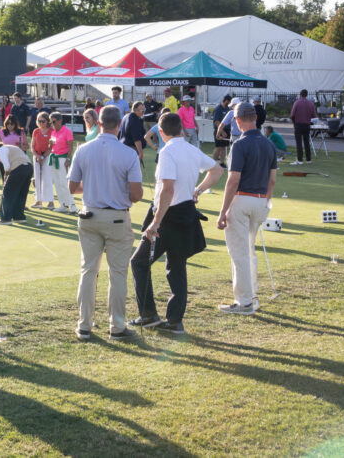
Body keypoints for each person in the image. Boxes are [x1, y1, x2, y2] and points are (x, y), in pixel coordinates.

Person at [131, 112, 224, 334]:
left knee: (139, 262)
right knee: (176, 266)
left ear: (161, 132)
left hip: (169, 215)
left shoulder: (167, 152)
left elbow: (167, 189)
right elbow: (217, 170)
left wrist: (155, 223)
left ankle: (149, 314)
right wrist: (197, 190)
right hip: (185, 213)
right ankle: (174, 321)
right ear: (181, 129)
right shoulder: (191, 149)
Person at [67, 105, 144, 341]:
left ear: (98, 123)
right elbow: (136, 195)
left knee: (88, 271)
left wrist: (94, 186)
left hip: (89, 215)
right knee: (117, 273)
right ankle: (117, 326)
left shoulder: (83, 149)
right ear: (119, 124)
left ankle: (84, 325)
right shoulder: (128, 154)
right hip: (117, 217)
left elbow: (72, 187)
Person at [217, 101, 278, 315]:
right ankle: (251, 297)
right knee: (248, 251)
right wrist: (265, 203)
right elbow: (272, 180)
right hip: (261, 201)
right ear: (255, 117)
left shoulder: (239, 144)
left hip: (243, 200)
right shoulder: (269, 144)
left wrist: (223, 212)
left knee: (240, 253)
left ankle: (244, 302)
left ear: (237, 120)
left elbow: (233, 180)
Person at [0, 141, 33, 224]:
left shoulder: (0, 150)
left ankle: (5, 219)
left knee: (7, 193)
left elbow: (7, 166)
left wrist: (5, 176)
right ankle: (19, 217)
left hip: (18, 169)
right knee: (21, 194)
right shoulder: (10, 147)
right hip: (29, 168)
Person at [45, 112, 77, 214]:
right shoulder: (53, 132)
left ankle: (72, 205)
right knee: (57, 183)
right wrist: (50, 144)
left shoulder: (67, 131)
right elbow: (51, 147)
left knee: (64, 182)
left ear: (60, 121)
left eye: (54, 122)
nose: (52, 124)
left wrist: (68, 159)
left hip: (63, 159)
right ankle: (63, 205)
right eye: (50, 122)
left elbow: (71, 147)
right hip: (54, 158)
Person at [31, 112, 54, 209]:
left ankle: (50, 202)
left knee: (47, 178)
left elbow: (51, 148)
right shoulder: (36, 131)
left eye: (43, 121)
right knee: (37, 179)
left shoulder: (52, 131)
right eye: (39, 121)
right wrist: (37, 156)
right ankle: (38, 201)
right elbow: (32, 146)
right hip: (37, 156)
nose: (41, 123)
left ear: (47, 121)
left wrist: (43, 157)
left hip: (47, 156)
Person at [289, 89, 315, 165]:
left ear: (300, 94)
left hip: (298, 124)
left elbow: (292, 115)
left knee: (299, 143)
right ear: (306, 95)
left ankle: (300, 160)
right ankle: (308, 159)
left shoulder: (297, 103)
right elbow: (314, 116)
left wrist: (294, 123)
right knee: (307, 142)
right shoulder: (310, 104)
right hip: (307, 125)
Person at [212, 95, 233, 167]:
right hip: (219, 130)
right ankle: (213, 164)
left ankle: (222, 163)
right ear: (226, 100)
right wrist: (222, 131)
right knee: (218, 147)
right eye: (229, 102)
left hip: (227, 130)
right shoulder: (218, 109)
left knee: (224, 147)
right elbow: (216, 122)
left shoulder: (228, 109)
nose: (230, 104)